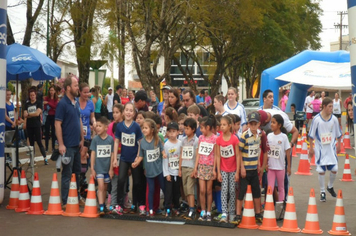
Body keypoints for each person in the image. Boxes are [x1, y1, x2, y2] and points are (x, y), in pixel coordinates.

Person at [55, 75, 84, 208]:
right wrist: (61, 144)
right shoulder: (62, 104)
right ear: (68, 88)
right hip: (67, 146)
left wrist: (82, 139)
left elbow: (78, 120)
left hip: (77, 144)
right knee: (67, 174)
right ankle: (66, 201)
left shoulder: (75, 102)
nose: (78, 87)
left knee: (77, 173)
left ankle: (76, 198)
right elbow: (57, 124)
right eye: (75, 85)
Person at [113, 102, 145, 215]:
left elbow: (140, 142)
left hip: (134, 158)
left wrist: (138, 156)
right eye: (127, 110)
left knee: (137, 182)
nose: (128, 112)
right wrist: (115, 158)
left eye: (131, 110)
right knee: (121, 180)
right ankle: (119, 205)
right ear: (123, 112)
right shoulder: (120, 126)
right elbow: (116, 141)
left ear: (134, 113)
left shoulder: (136, 126)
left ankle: (138, 204)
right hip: (123, 158)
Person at [308, 97, 342, 202]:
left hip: (331, 149)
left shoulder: (334, 119)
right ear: (324, 106)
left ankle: (330, 186)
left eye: (332, 106)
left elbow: (338, 134)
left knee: (335, 169)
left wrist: (339, 145)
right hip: (320, 149)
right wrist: (311, 147)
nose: (331, 108)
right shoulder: (317, 119)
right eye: (329, 106)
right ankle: (322, 192)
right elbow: (311, 135)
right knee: (321, 171)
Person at [236, 112, 263, 225]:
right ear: (248, 124)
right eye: (251, 124)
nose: (253, 126)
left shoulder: (259, 135)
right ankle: (238, 214)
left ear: (258, 124)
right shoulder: (244, 136)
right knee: (242, 191)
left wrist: (258, 164)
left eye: (255, 124)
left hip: (254, 168)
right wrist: (241, 167)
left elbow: (257, 150)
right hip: (245, 169)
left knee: (256, 191)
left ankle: (258, 213)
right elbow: (239, 151)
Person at [135, 118, 166, 217]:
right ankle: (150, 209)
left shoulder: (157, 139)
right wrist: (136, 163)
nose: (144, 130)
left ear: (152, 130)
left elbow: (162, 149)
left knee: (163, 188)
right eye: (143, 128)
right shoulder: (142, 142)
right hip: (149, 171)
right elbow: (141, 156)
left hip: (159, 169)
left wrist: (164, 154)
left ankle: (167, 207)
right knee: (151, 190)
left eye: (146, 128)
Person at [194, 115, 217, 221]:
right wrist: (195, 168)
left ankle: (208, 211)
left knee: (208, 190)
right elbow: (198, 153)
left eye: (202, 128)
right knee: (202, 190)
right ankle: (202, 210)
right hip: (202, 166)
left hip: (210, 166)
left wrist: (214, 169)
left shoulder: (215, 138)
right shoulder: (201, 138)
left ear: (208, 127)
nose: (200, 130)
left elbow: (216, 155)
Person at [216, 116, 239, 223]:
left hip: (233, 169)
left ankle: (232, 212)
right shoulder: (218, 139)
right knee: (224, 190)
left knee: (232, 191)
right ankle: (224, 212)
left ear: (230, 126)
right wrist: (218, 171)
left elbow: (238, 156)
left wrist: (237, 171)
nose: (222, 127)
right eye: (221, 125)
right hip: (223, 169)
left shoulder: (234, 139)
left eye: (224, 125)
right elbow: (217, 156)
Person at [90, 117, 114, 215]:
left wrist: (111, 168)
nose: (98, 128)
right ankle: (100, 206)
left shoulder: (110, 139)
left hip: (107, 168)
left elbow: (112, 154)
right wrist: (92, 168)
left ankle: (103, 204)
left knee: (105, 187)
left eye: (100, 126)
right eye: (97, 126)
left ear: (106, 128)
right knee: (100, 186)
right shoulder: (95, 139)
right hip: (99, 168)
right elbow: (93, 153)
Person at [265, 114, 291, 203]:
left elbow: (288, 152)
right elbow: (266, 151)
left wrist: (289, 167)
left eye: (274, 122)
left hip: (280, 167)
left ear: (279, 125)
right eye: (271, 122)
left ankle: (280, 207)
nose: (271, 124)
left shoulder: (284, 137)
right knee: (270, 187)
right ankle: (268, 205)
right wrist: (265, 164)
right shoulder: (269, 136)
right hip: (271, 167)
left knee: (281, 187)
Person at [179, 118, 199, 220]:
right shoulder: (183, 140)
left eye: (187, 128)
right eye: (185, 128)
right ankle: (189, 207)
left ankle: (192, 209)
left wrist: (195, 169)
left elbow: (197, 156)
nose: (185, 130)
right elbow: (181, 154)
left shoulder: (196, 141)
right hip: (184, 167)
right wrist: (179, 168)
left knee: (190, 190)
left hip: (191, 167)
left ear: (193, 129)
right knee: (186, 189)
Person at [163, 122, 182, 218]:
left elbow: (181, 158)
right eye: (169, 132)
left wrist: (180, 170)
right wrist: (166, 173)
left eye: (174, 131)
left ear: (178, 132)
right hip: (169, 172)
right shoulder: (166, 145)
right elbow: (165, 159)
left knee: (176, 192)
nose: (171, 134)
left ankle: (176, 207)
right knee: (168, 192)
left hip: (177, 172)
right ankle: (167, 208)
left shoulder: (180, 144)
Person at [24, 88, 48, 165]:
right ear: (29, 96)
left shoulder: (39, 103)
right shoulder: (27, 104)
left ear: (35, 95)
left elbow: (38, 113)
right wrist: (30, 115)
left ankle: (45, 158)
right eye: (31, 95)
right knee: (31, 143)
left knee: (39, 142)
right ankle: (32, 159)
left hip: (37, 125)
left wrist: (29, 115)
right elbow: (24, 115)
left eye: (33, 95)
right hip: (29, 125)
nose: (32, 96)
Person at [107, 103, 124, 212]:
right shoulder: (111, 126)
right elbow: (110, 141)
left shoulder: (125, 125)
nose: (115, 115)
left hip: (124, 156)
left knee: (123, 182)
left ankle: (122, 202)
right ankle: (112, 203)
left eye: (117, 112)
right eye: (113, 112)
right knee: (113, 182)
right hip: (113, 155)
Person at [44, 85, 58, 153]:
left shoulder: (56, 99)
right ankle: (46, 147)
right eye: (50, 90)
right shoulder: (46, 98)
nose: (51, 92)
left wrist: (49, 103)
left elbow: (55, 106)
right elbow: (44, 106)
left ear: (54, 91)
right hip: (47, 116)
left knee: (53, 132)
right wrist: (51, 106)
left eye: (52, 90)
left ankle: (53, 147)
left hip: (54, 116)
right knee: (46, 132)